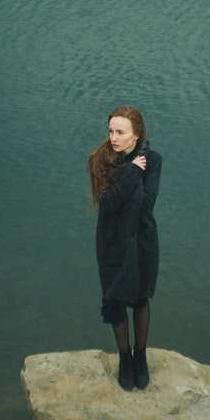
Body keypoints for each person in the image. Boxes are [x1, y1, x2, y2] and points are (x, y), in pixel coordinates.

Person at [86, 105, 162, 390]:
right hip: (112, 241)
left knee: (141, 298)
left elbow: (147, 202)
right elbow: (108, 203)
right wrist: (130, 172)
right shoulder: (101, 161)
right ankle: (124, 357)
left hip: (142, 238)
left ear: (136, 134)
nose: (114, 138)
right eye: (111, 131)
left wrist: (134, 172)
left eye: (121, 132)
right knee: (116, 299)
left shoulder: (153, 161)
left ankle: (140, 357)